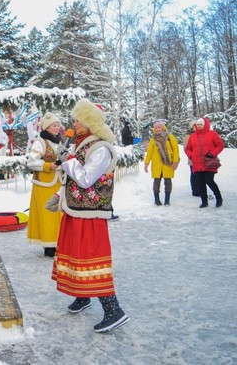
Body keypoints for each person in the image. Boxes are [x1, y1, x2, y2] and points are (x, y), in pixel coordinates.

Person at [51, 98, 129, 333]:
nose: (73, 123)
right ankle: (83, 296)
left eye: (78, 120)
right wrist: (58, 195)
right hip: (76, 211)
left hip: (91, 216)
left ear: (89, 123)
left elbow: (85, 178)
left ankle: (113, 310)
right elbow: (72, 177)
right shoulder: (81, 145)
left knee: (92, 259)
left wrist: (68, 161)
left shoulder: (101, 148)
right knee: (75, 255)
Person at [26, 112, 64, 257]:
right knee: (47, 215)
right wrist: (49, 166)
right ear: (47, 127)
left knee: (58, 214)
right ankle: (49, 247)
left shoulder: (58, 142)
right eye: (54, 125)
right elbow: (32, 162)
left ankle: (57, 243)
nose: (56, 128)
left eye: (58, 125)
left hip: (57, 182)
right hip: (44, 184)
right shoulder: (40, 142)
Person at [185, 117, 224, 208]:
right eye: (197, 124)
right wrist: (191, 156)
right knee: (201, 183)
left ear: (205, 125)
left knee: (209, 180)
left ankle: (219, 198)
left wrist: (212, 153)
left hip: (209, 162)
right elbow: (188, 149)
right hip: (197, 163)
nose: (199, 126)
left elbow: (220, 145)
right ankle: (204, 201)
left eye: (201, 124)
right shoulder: (193, 136)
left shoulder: (212, 134)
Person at [143, 120, 180, 206]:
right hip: (157, 165)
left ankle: (167, 200)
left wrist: (175, 161)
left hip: (168, 164)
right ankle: (157, 200)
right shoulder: (153, 139)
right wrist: (146, 163)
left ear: (163, 128)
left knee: (168, 181)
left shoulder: (170, 137)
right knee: (156, 182)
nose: (158, 129)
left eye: (159, 127)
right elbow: (149, 152)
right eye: (156, 127)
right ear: (154, 129)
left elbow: (176, 150)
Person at [184, 120, 200, 197]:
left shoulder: (200, 134)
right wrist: (192, 156)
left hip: (200, 159)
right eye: (195, 125)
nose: (196, 127)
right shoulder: (188, 136)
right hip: (192, 159)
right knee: (194, 175)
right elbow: (186, 147)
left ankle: (200, 189)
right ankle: (195, 190)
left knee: (200, 175)